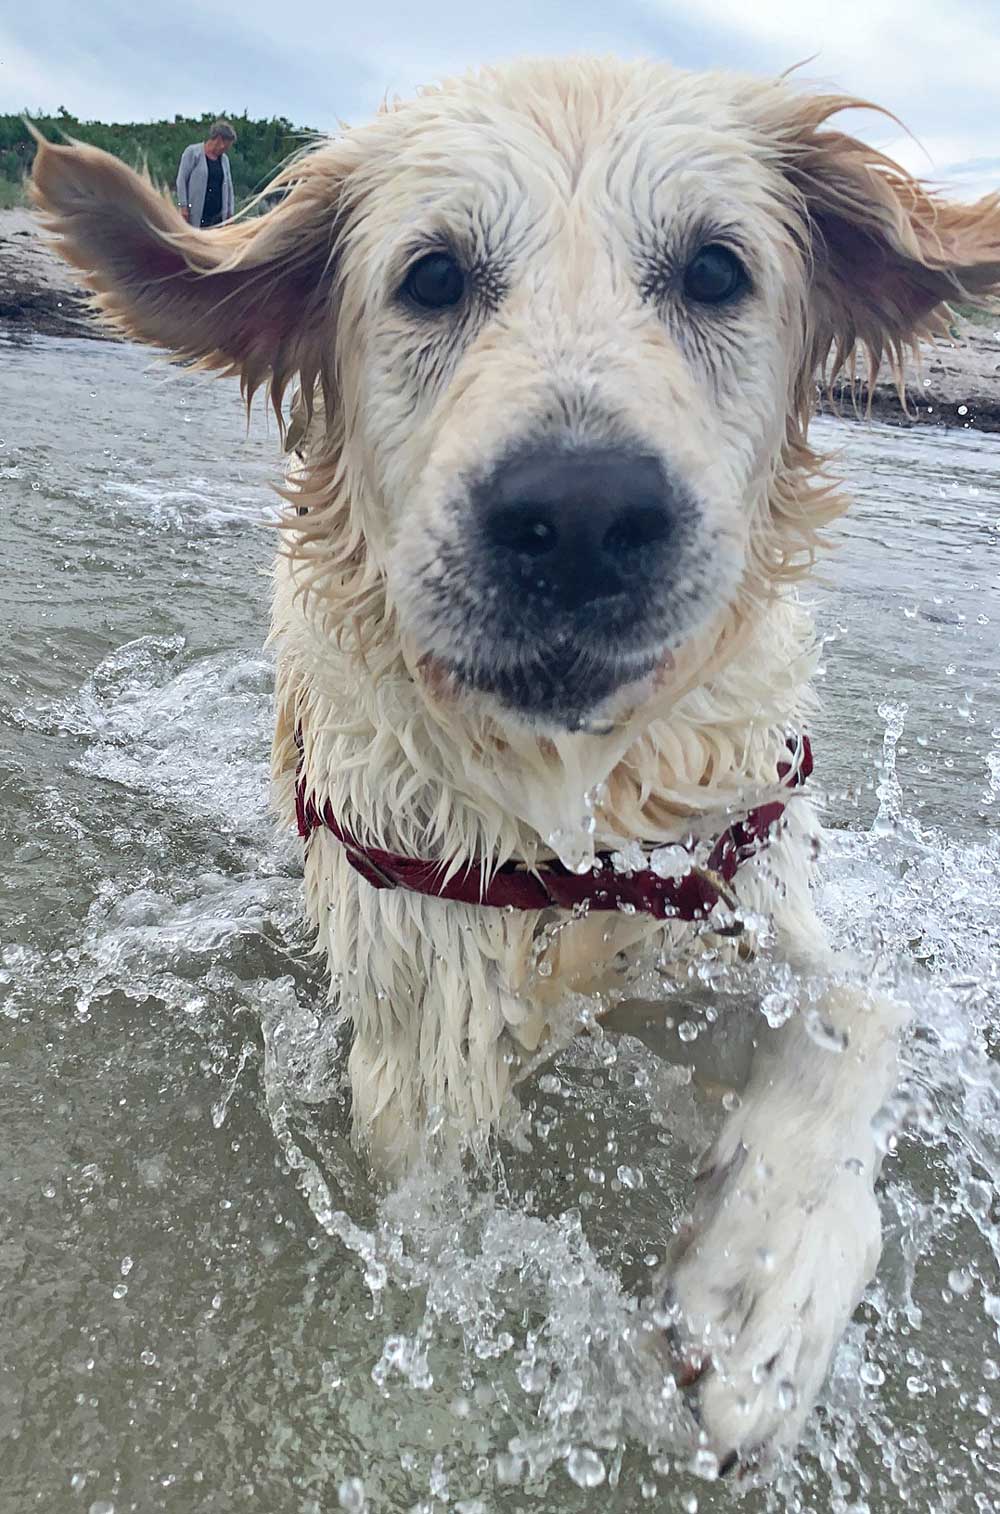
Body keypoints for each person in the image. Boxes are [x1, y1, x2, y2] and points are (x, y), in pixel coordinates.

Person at [176, 121, 236, 229]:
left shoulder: (224, 160)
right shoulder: (193, 152)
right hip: (196, 213)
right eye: (225, 147)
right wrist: (183, 206)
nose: (225, 150)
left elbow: (229, 187)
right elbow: (181, 180)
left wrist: (230, 213)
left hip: (217, 216)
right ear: (218, 139)